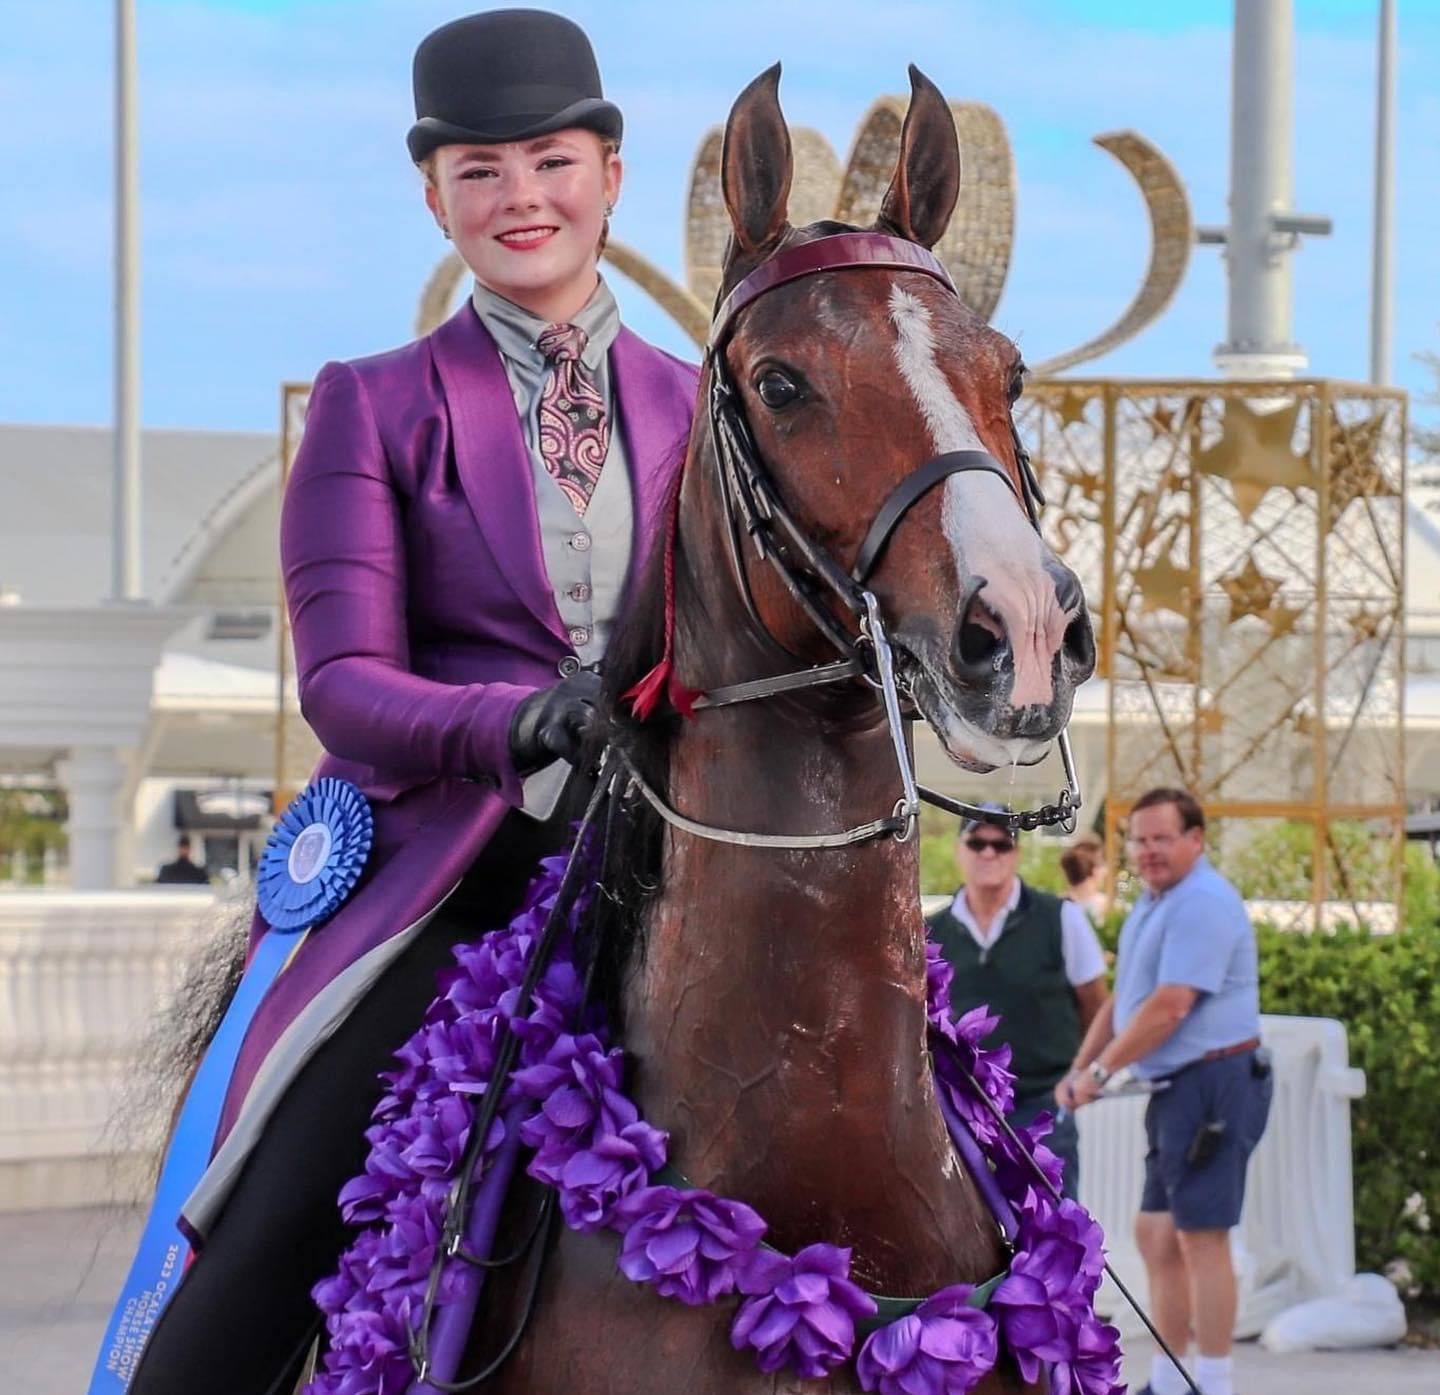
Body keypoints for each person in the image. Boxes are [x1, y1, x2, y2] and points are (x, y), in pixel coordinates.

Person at [123, 12, 697, 1394]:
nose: (521, 200)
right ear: (431, 191)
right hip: (456, 865)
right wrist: (510, 723)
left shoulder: (705, 407)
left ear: (610, 174)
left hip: (681, 858)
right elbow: (342, 681)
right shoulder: (372, 404)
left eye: (550, 162)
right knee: (278, 1206)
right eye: (481, 171)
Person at [1057, 788, 1272, 1395]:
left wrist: (1099, 1078)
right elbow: (1128, 1001)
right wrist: (1080, 1067)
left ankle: (1213, 1382)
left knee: (1201, 1239)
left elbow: (1169, 1009)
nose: (1148, 850)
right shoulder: (1155, 902)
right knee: (1155, 1234)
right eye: (1139, 839)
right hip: (1178, 1088)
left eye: (1162, 838)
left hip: (1216, 1083)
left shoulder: (1203, 902)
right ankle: (1175, 1381)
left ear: (1195, 840)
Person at [925, 807, 1109, 1199]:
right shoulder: (931, 932)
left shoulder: (1060, 918)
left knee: (1052, 1231)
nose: (989, 853)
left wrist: (1079, 1076)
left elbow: (1096, 1004)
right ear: (960, 850)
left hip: (1041, 1105)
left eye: (1001, 844)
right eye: (977, 842)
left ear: (1016, 853)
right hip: (960, 1114)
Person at [1060, 834, 1108, 921]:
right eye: (1102, 865)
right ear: (1095, 870)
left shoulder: (1057, 906)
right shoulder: (1105, 907)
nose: (1105, 871)